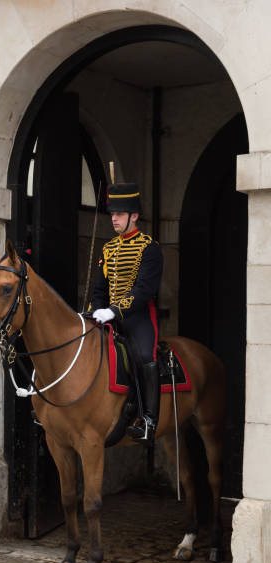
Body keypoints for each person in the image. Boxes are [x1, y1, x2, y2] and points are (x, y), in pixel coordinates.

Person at [90, 182, 163, 445]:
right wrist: (95, 310)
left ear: (134, 216)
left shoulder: (149, 248)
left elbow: (144, 290)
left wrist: (113, 311)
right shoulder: (108, 249)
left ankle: (148, 421)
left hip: (138, 317)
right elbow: (100, 288)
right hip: (108, 316)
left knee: (145, 357)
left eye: (119, 214)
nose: (114, 219)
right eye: (112, 215)